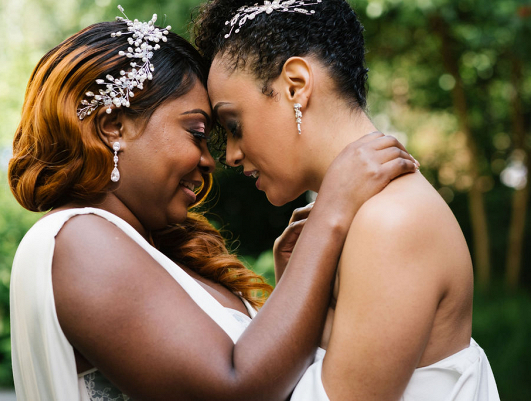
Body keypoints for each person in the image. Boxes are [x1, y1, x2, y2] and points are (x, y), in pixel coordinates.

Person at [8, 6, 418, 400]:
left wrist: (294, 285)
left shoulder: (145, 249)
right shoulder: (80, 240)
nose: (210, 160)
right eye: (197, 131)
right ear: (114, 126)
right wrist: (332, 214)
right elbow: (234, 387)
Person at [193, 0, 500, 400]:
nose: (231, 154)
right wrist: (301, 279)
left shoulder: (391, 221)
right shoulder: (358, 219)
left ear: (296, 86)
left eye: (234, 125)